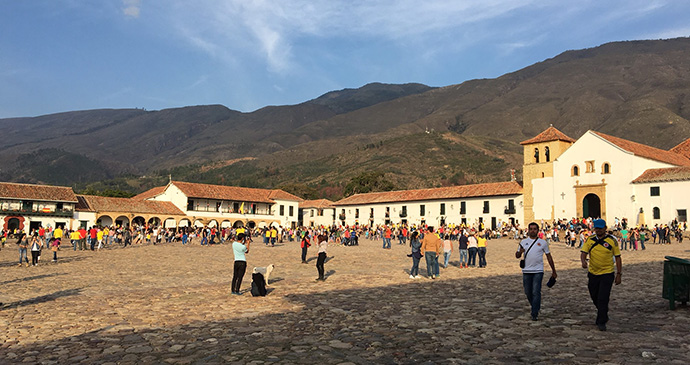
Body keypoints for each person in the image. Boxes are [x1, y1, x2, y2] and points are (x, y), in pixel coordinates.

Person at [580, 219, 622, 331]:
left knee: (603, 297)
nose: (598, 230)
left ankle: (601, 320)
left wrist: (619, 273)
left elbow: (618, 257)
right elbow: (583, 252)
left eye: (600, 228)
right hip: (593, 273)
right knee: (594, 295)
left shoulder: (612, 241)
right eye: (596, 228)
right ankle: (603, 312)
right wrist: (583, 262)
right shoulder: (590, 239)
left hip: (607, 273)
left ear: (605, 228)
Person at [516, 222, 557, 321]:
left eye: (535, 229)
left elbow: (549, 256)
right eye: (531, 229)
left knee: (536, 291)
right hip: (526, 270)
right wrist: (520, 252)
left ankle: (534, 312)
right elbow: (517, 256)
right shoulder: (523, 242)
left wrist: (553, 270)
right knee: (527, 292)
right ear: (528, 230)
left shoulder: (543, 243)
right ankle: (535, 305)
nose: (533, 230)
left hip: (538, 270)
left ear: (538, 230)